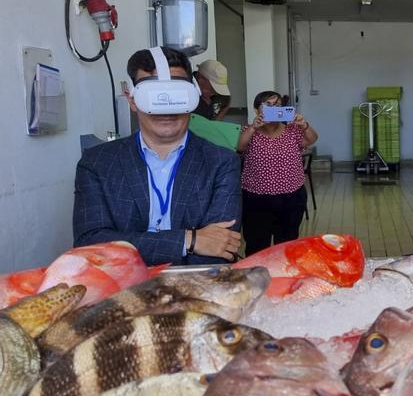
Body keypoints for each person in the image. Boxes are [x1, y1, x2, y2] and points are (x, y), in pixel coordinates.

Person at [73, 46, 242, 266]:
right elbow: (90, 245)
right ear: (132, 99)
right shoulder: (97, 164)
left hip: (196, 290)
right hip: (121, 289)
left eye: (176, 96)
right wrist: (188, 240)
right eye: (154, 97)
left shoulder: (222, 162)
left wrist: (129, 243)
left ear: (193, 96)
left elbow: (219, 249)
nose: (166, 110)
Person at [237, 90, 318, 256]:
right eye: (268, 105)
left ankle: (284, 278)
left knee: (287, 246)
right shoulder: (249, 131)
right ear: (256, 109)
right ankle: (257, 279)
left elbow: (311, 139)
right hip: (256, 199)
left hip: (291, 198)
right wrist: (253, 127)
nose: (274, 109)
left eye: (278, 106)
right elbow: (240, 147)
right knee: (256, 246)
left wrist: (305, 125)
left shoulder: (293, 130)